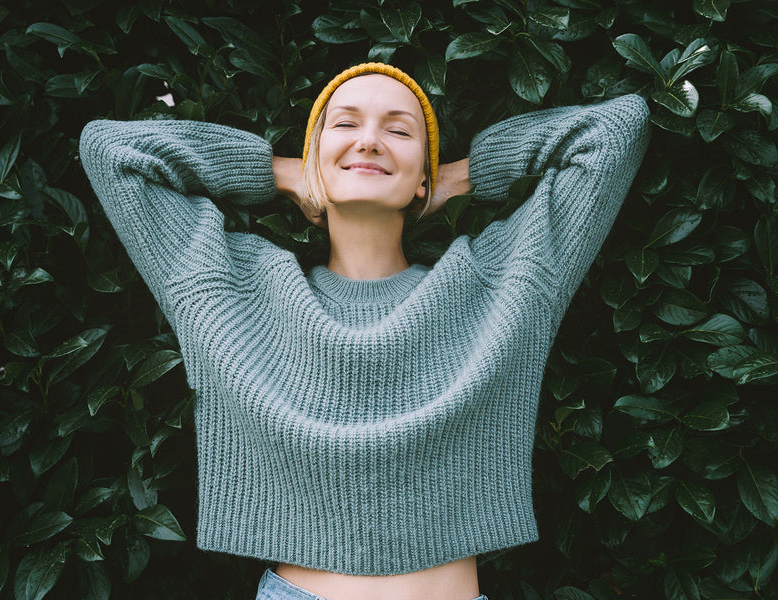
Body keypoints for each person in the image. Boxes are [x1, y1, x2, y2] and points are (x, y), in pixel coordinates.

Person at [79, 62, 650, 600]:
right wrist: (280, 171)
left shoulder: (499, 284)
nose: (370, 140)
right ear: (314, 157)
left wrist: (460, 174)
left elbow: (615, 130)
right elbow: (110, 152)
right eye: (346, 124)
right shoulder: (230, 289)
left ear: (423, 178)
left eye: (399, 131)